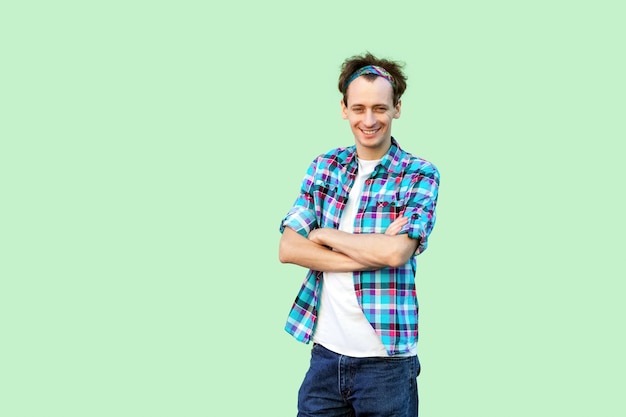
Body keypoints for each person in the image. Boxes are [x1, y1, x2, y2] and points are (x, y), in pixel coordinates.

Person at [278, 52, 440, 417]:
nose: (369, 120)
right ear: (344, 109)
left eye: (380, 108)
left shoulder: (419, 174)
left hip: (386, 366)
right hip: (324, 359)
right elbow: (288, 247)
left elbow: (396, 254)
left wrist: (323, 234)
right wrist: (372, 250)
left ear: (397, 108)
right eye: (359, 108)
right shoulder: (325, 166)